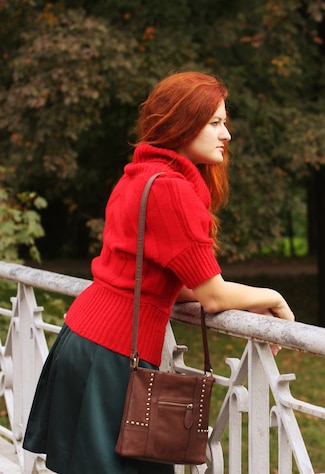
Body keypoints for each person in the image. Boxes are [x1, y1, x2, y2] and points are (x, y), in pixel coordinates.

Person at [23, 71, 296, 474]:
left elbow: (156, 281)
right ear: (182, 124)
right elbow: (213, 295)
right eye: (215, 123)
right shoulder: (170, 190)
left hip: (84, 338)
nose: (227, 135)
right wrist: (272, 296)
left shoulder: (139, 176)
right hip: (111, 353)